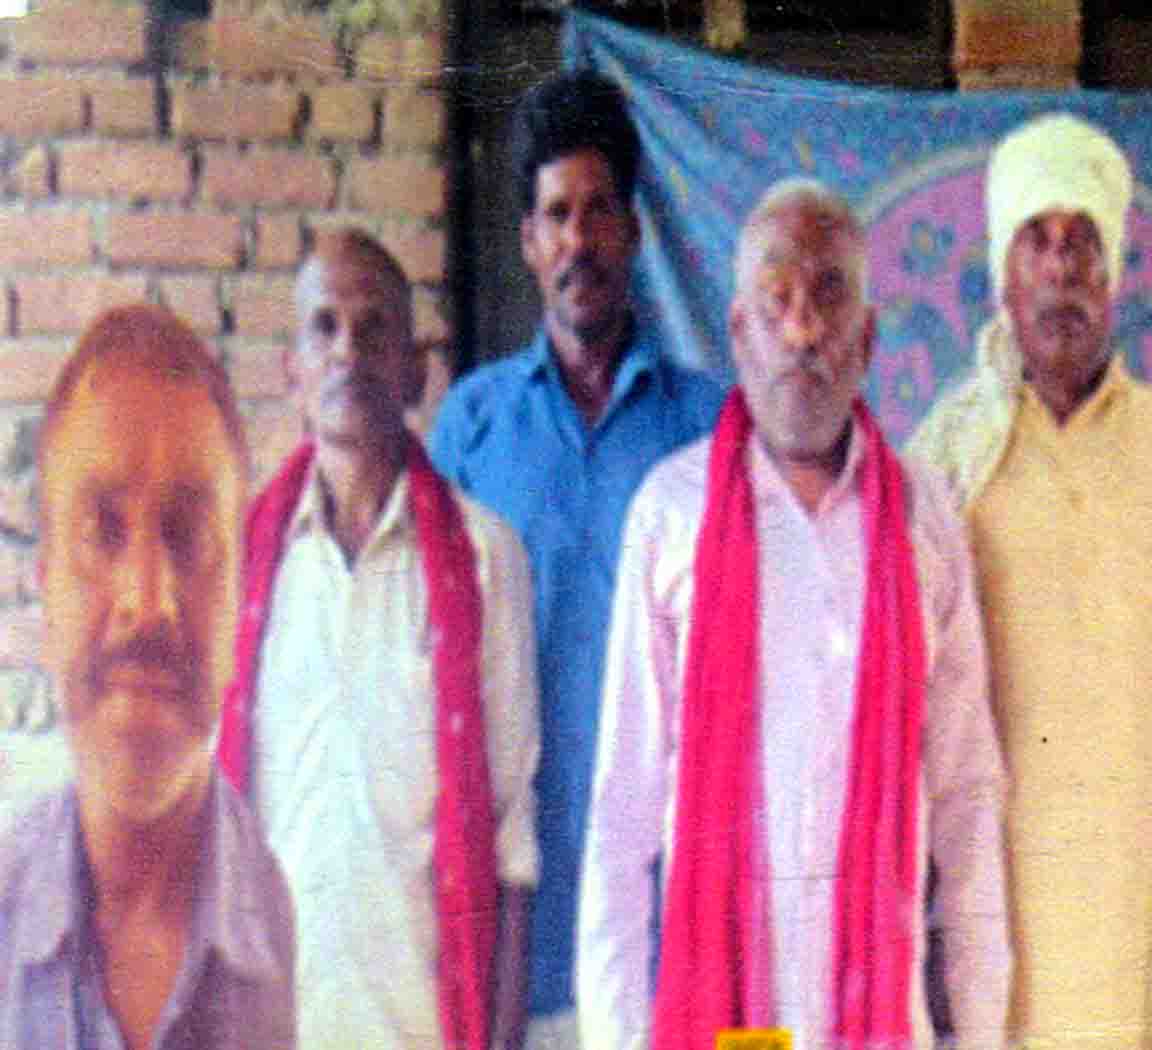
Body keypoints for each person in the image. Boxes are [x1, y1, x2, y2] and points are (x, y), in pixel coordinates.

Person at [577, 179, 1010, 1050]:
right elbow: (623, 814)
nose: (803, 330)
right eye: (776, 299)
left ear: (869, 338)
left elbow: (965, 801)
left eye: (829, 296)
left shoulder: (926, 519)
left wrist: (981, 1028)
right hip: (720, 1022)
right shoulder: (671, 516)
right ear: (739, 332)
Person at [908, 112, 1152, 1049]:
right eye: (1037, 241)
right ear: (1001, 275)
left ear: (1113, 274)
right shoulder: (945, 463)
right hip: (996, 955)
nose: (1061, 267)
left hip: (1151, 948)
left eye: (1082, 243)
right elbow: (910, 729)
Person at [428, 69, 725, 1047]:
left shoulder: (711, 428)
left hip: (682, 939)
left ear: (634, 231)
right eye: (557, 215)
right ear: (527, 241)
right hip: (528, 943)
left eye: (600, 212)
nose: (578, 239)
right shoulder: (473, 429)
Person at [217, 229, 539, 1050]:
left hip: (424, 1029)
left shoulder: (485, 559)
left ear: (416, 372)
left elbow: (512, 842)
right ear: (291, 370)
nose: (348, 352)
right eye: (324, 327)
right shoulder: (238, 569)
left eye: (374, 328)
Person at [0, 304, 295, 1048]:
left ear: (240, 591)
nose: (147, 598)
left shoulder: (323, 936)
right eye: (102, 532)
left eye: (188, 536)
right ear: (44, 585)